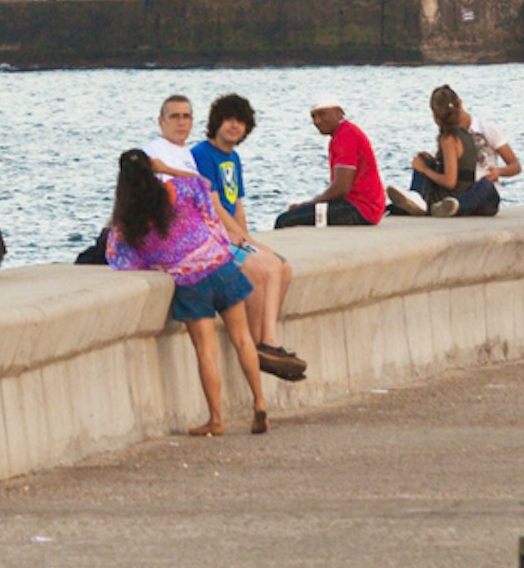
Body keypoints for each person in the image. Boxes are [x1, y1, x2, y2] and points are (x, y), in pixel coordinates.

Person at [102, 147, 267, 435]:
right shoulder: (179, 189)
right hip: (220, 267)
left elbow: (118, 256)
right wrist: (168, 168)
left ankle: (216, 419)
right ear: (151, 169)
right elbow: (203, 183)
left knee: (206, 352)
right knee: (243, 339)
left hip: (190, 283)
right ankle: (260, 403)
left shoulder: (129, 220)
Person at [188, 93, 308, 379]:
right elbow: (214, 205)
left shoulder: (234, 158)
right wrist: (243, 239)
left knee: (283, 266)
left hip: (233, 234)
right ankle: (261, 343)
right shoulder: (202, 155)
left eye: (241, 122)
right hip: (213, 237)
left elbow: (237, 204)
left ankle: (269, 340)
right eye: (229, 120)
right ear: (217, 122)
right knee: (261, 266)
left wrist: (249, 236)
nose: (234, 126)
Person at [273, 97, 394, 229]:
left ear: (339, 112)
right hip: (366, 206)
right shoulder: (343, 133)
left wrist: (307, 205)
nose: (317, 121)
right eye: (313, 117)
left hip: (360, 209)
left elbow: (341, 188)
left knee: (285, 220)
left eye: (322, 114)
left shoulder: (346, 135)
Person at [409, 84, 503, 218]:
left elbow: (450, 182)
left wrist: (424, 169)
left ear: (435, 116)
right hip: (469, 195)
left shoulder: (449, 139)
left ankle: (423, 201)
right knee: (486, 187)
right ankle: (420, 201)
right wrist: (434, 163)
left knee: (422, 162)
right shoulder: (467, 135)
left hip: (452, 196)